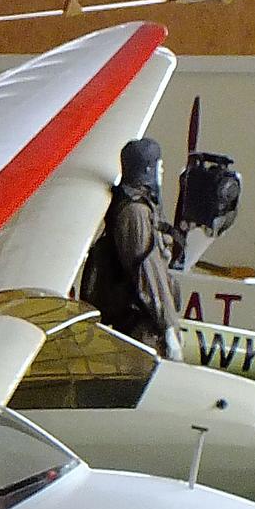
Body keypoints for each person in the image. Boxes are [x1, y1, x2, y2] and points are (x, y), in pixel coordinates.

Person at [80, 138, 183, 358]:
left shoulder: (138, 207)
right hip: (142, 329)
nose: (162, 170)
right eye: (158, 165)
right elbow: (148, 273)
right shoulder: (135, 213)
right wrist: (168, 327)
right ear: (147, 169)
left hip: (141, 323)